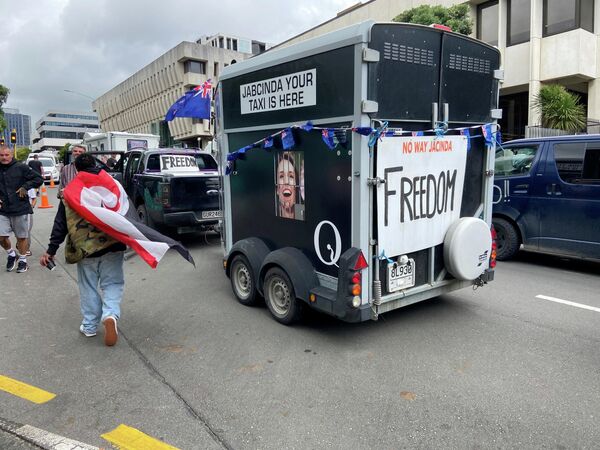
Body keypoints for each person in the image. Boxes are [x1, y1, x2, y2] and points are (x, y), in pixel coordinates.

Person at [40, 153, 126, 346]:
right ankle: (111, 314)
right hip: (114, 245)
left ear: (76, 169)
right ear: (96, 164)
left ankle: (89, 326)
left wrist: (51, 250)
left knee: (88, 286)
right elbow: (127, 213)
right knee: (112, 283)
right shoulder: (113, 185)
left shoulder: (71, 191)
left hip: (85, 248)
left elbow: (60, 224)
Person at [0, 145, 44, 272]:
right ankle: (11, 254)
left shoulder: (21, 167)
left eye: (6, 155)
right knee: (1, 236)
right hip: (3, 209)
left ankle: (23, 260)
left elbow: (38, 179)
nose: (4, 157)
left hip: (20, 207)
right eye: (1, 155)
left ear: (11, 154)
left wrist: (26, 186)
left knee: (21, 237)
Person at [25, 187, 38, 257]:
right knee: (18, 231)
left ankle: (27, 248)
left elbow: (34, 199)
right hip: (16, 211)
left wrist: (31, 207)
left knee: (26, 230)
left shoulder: (29, 187)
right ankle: (21, 243)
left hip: (27, 211)